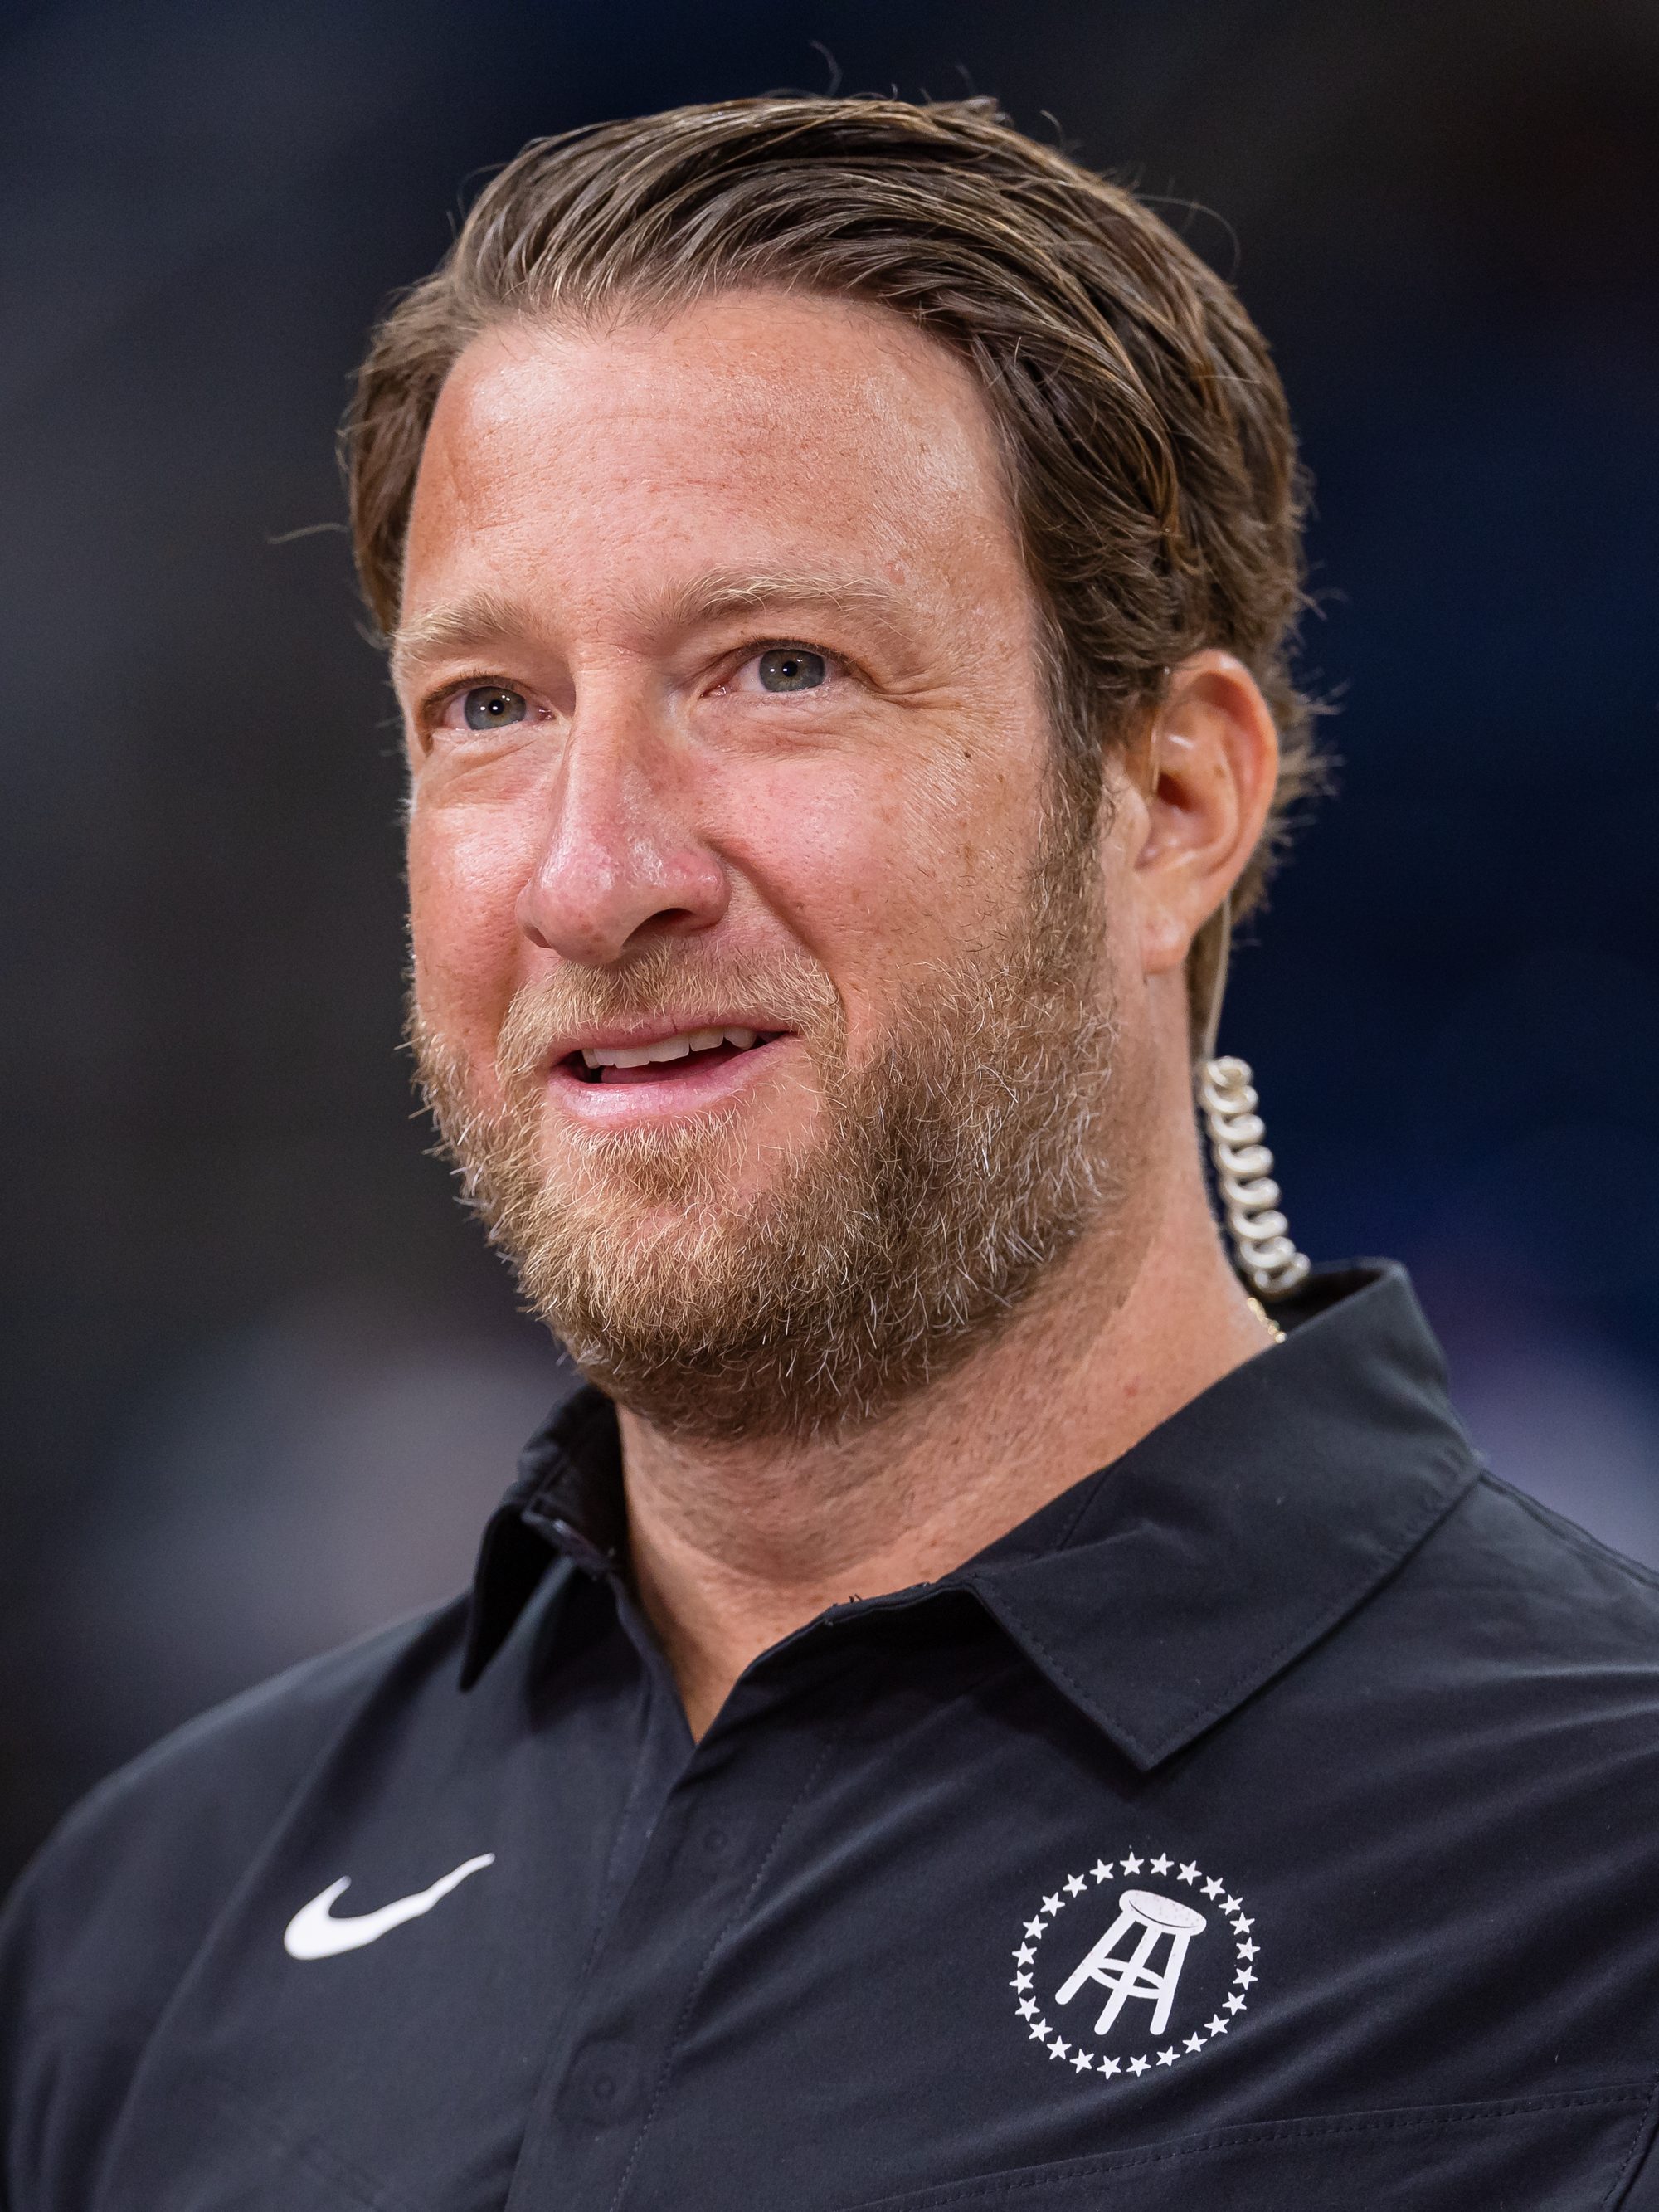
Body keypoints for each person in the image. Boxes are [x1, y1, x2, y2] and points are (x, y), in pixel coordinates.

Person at [3, 93, 1657, 2212]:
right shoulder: (150, 1921)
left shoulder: (1593, 1885)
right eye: (487, 708)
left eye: (777, 671)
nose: (592, 877)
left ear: (1167, 799)